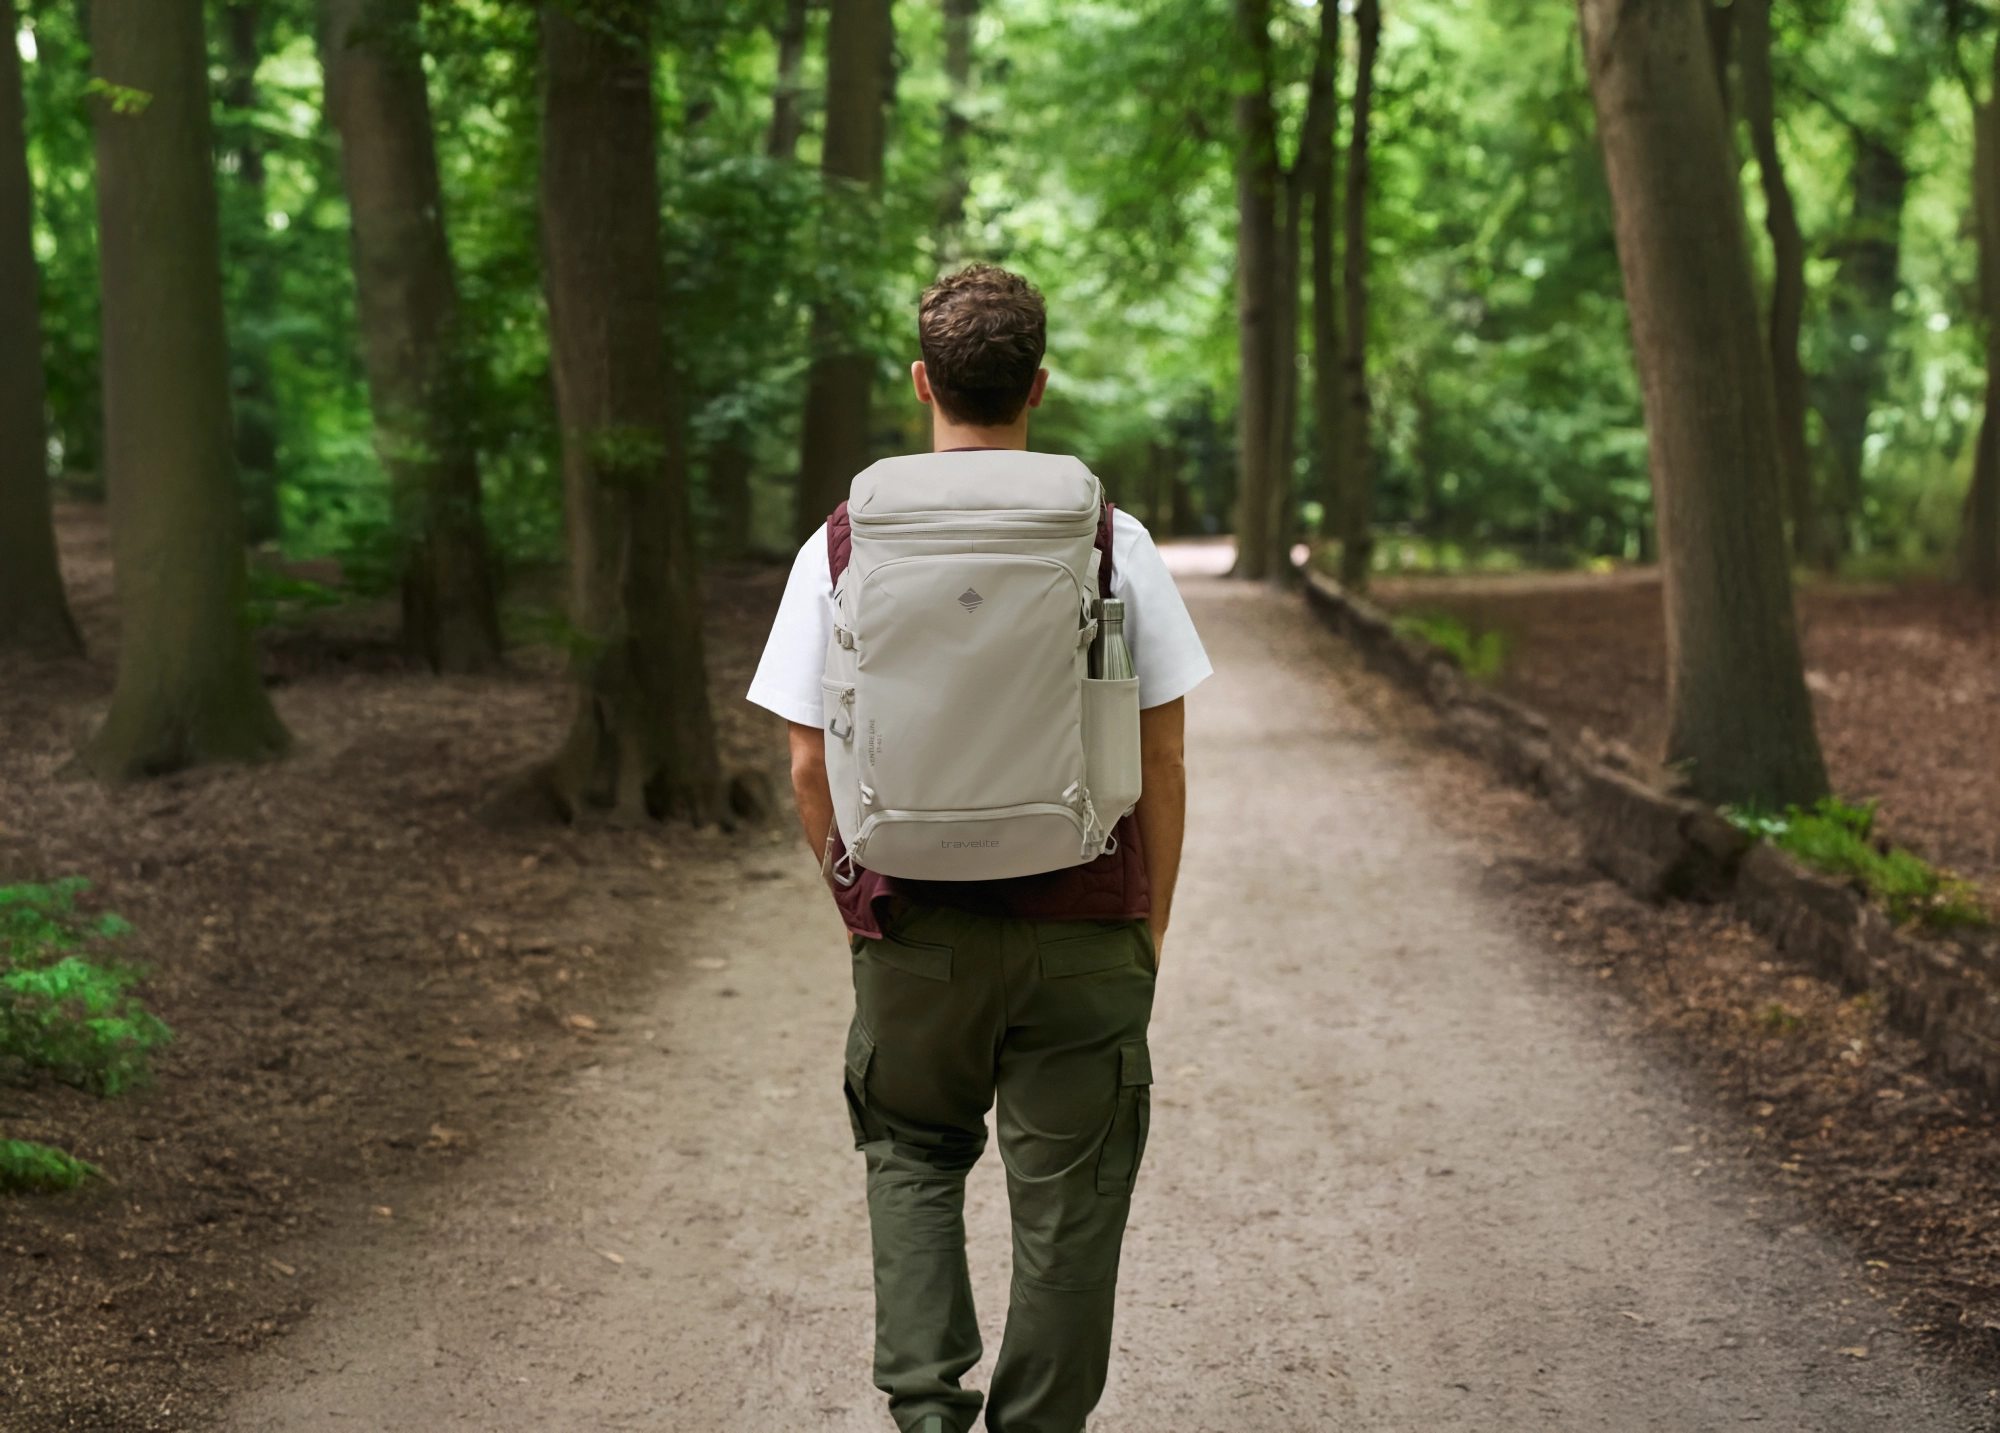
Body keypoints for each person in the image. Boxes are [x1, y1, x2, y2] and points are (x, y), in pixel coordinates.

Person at [746, 264, 1211, 1433]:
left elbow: (808, 765)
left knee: (909, 1151)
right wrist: (1141, 927)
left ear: (922, 384)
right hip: (1082, 922)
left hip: (912, 925)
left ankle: (922, 1413)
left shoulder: (841, 541)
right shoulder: (1113, 536)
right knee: (1068, 1206)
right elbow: (1161, 762)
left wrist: (858, 894)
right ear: (1037, 386)